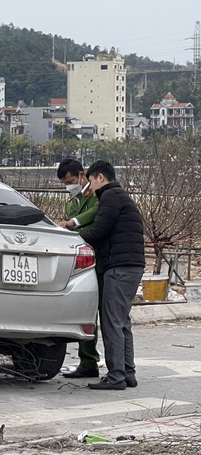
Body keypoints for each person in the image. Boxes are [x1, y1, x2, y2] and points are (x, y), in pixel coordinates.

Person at [80, 160, 145, 390]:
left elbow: (98, 232)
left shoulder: (110, 196)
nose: (91, 188)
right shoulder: (121, 196)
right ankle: (128, 374)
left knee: (111, 322)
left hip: (119, 266)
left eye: (91, 182)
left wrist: (75, 238)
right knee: (122, 322)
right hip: (132, 265)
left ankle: (116, 377)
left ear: (100, 177)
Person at [56, 159, 102, 379]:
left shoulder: (96, 196)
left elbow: (95, 215)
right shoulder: (71, 203)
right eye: (65, 183)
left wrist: (73, 222)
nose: (69, 186)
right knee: (87, 313)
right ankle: (88, 361)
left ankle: (113, 364)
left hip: (101, 259)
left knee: (107, 315)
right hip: (81, 263)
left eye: (71, 181)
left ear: (82, 175)